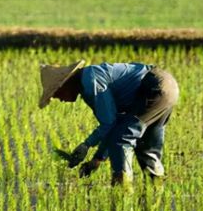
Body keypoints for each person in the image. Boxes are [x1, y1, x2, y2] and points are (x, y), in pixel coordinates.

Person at [39, 60, 179, 185]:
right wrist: (97, 160)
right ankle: (157, 190)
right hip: (168, 85)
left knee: (122, 138)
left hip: (154, 87)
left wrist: (86, 145)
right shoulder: (89, 78)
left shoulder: (90, 81)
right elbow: (114, 124)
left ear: (64, 84)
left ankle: (122, 191)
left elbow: (109, 123)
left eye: (56, 94)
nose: (60, 99)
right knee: (146, 146)